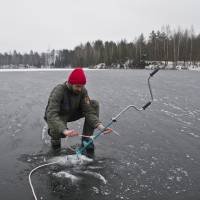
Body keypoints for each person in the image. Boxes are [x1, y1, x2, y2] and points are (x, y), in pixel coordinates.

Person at [44, 67, 112, 155]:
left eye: (82, 86)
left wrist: (100, 126)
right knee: (58, 133)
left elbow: (88, 111)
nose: (80, 89)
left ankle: (86, 139)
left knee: (94, 104)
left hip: (72, 112)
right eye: (77, 86)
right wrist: (64, 130)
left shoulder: (83, 91)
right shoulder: (59, 90)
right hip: (58, 116)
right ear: (70, 83)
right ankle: (55, 142)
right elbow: (51, 114)